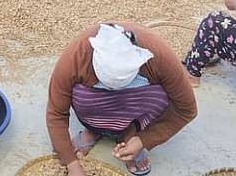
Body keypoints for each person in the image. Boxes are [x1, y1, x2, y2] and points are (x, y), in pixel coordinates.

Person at [47, 22, 197, 176]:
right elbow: (56, 113)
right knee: (81, 93)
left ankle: (131, 133)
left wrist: (145, 139)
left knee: (162, 95)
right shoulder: (76, 54)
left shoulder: (159, 55)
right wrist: (72, 165)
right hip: (93, 106)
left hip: (138, 102)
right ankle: (93, 130)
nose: (113, 91)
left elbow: (186, 109)